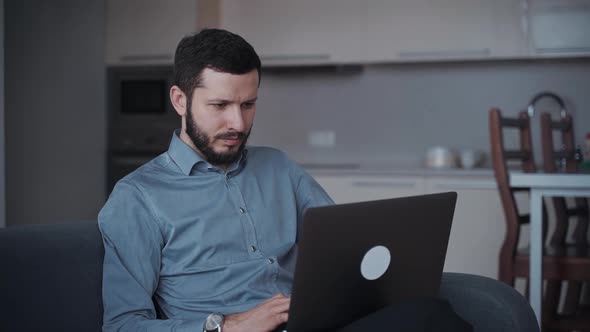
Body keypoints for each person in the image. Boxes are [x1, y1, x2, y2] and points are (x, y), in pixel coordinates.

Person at [99, 28, 472, 332]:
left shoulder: (279, 167)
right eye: (220, 106)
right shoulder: (137, 198)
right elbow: (122, 325)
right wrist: (226, 325)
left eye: (248, 104)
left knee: (431, 313)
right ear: (180, 101)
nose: (239, 124)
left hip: (313, 324)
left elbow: (347, 249)